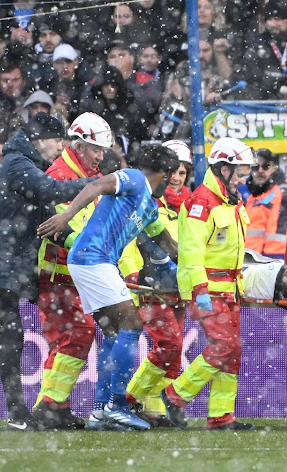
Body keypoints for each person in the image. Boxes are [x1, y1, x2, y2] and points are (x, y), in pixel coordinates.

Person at [0, 113, 95, 432]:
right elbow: (51, 190)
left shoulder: (23, 166)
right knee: (10, 337)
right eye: (58, 142)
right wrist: (97, 186)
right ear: (40, 139)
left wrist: (80, 244)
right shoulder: (18, 164)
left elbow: (48, 225)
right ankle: (16, 414)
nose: (60, 149)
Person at [37, 144, 181, 431]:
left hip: (93, 262)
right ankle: (117, 405)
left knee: (115, 335)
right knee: (132, 325)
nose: (176, 181)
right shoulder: (135, 179)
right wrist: (65, 217)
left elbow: (168, 246)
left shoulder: (150, 209)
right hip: (92, 258)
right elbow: (97, 185)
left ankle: (100, 412)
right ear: (164, 174)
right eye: (174, 174)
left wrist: (190, 274)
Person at [160, 137, 256, 431]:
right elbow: (191, 252)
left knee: (231, 353)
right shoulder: (202, 202)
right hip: (209, 288)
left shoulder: (231, 199)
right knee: (224, 346)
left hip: (229, 288)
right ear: (223, 169)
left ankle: (221, 416)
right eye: (239, 173)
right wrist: (200, 289)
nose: (243, 179)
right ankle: (175, 394)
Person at [31, 113, 114, 430]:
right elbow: (65, 231)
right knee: (78, 335)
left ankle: (51, 408)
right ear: (79, 146)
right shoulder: (62, 178)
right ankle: (52, 406)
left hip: (73, 275)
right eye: (96, 149)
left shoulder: (79, 175)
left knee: (65, 340)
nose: (101, 156)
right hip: (60, 276)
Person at [123, 140, 193, 427]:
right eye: (172, 172)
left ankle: (154, 408)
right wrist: (131, 275)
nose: (176, 179)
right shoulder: (147, 201)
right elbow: (127, 241)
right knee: (168, 344)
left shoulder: (190, 205)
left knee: (172, 352)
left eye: (182, 173)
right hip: (149, 287)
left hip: (178, 288)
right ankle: (129, 400)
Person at [244, 148, 287, 259]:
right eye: (255, 167)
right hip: (250, 259)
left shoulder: (282, 193)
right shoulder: (252, 198)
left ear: (275, 168)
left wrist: (272, 261)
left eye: (266, 166)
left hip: (270, 260)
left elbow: (278, 238)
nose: (260, 171)